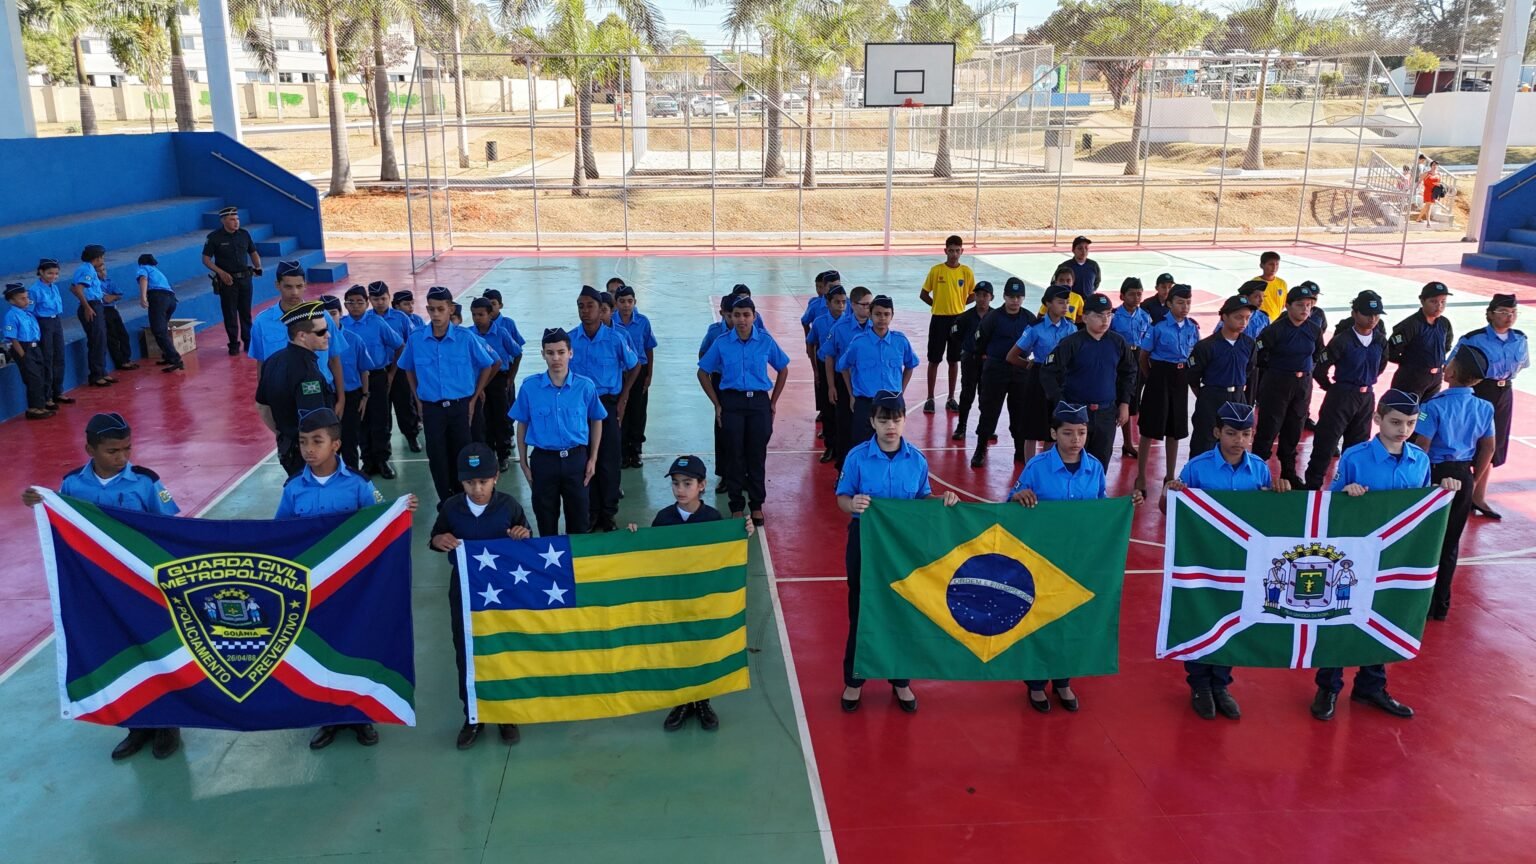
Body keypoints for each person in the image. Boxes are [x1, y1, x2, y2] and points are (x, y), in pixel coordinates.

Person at [22, 412, 182, 759]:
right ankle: (137, 726)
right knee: (119, 652)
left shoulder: (146, 482)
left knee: (154, 650)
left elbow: (172, 530)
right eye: (112, 451)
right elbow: (63, 522)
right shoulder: (73, 485)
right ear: (90, 450)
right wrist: (39, 501)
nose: (122, 457)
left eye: (127, 449)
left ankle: (168, 724)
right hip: (102, 590)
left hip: (142, 587)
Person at [277, 407, 417, 750]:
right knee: (319, 651)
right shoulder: (293, 489)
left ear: (336, 444)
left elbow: (378, 523)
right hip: (312, 590)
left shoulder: (358, 484)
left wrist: (400, 510)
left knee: (356, 647)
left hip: (353, 589)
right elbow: (279, 535)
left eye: (317, 441)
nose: (309, 449)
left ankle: (359, 715)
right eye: (303, 442)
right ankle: (329, 717)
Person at [1319, 389, 1460, 720]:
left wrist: (1442, 491)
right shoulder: (1355, 457)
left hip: (1395, 557)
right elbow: (1328, 503)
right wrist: (1346, 492)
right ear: (1378, 419)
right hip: (1354, 554)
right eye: (1396, 422)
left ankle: (1371, 685)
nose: (1403, 430)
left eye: (1410, 423)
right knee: (1339, 615)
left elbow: (1421, 508)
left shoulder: (1420, 460)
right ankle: (1328, 687)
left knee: (1383, 616)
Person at [1010, 402, 1144, 713]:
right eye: (1068, 433)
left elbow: (1099, 509)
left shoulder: (1094, 468)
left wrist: (1125, 505)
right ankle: (1035, 683)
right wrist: (1018, 496)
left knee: (1072, 620)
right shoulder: (1037, 467)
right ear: (1053, 433)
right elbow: (1011, 506)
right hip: (1043, 558)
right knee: (1041, 619)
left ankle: (1063, 679)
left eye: (1081, 432)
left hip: (1079, 560)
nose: (1075, 439)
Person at [1164, 402, 1291, 720]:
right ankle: (1199, 684)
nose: (1239, 440)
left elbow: (1268, 518)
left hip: (1242, 563)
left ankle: (1220, 684)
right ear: (1217, 432)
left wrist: (1279, 494)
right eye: (1232, 433)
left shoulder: (1259, 469)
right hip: (1204, 559)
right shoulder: (1197, 468)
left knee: (1235, 617)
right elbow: (1172, 512)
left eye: (1246, 434)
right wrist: (1170, 493)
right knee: (1201, 617)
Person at [837, 390, 960, 713]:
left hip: (904, 547)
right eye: (883, 420)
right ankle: (854, 680)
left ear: (904, 420)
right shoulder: (857, 458)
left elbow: (922, 499)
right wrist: (852, 503)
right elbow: (842, 498)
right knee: (862, 610)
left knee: (903, 609)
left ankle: (901, 680)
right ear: (872, 422)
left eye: (896, 419)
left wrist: (942, 500)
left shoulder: (916, 460)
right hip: (865, 541)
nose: (890, 426)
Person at [626, 455, 756, 732]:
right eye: (676, 483)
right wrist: (634, 537)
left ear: (702, 485)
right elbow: (650, 557)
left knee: (701, 649)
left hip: (703, 601)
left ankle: (702, 700)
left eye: (687, 483)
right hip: (673, 600)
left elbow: (724, 554)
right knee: (677, 650)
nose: (680, 489)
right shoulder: (664, 519)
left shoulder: (712, 520)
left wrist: (742, 532)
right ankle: (682, 701)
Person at [428, 442, 531, 749]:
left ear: (496, 477)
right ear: (461, 481)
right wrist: (438, 540)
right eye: (470, 482)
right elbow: (435, 536)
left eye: (483, 481)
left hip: (503, 593)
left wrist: (522, 536)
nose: (477, 489)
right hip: (464, 592)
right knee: (467, 651)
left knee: (503, 648)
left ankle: (506, 714)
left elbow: (528, 539)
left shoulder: (509, 506)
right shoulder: (451, 508)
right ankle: (473, 715)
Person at [1411, 346, 1495, 620]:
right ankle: (1440, 605)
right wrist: (1474, 479)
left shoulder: (1432, 406)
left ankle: (1418, 602)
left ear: (1452, 373)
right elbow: (1488, 447)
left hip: (1435, 474)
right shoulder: (1485, 408)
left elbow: (1422, 446)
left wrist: (1417, 482)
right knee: (1450, 543)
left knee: (1425, 538)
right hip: (1464, 474)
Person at [398, 286, 498, 504]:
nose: (436, 314)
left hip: (460, 407)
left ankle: (464, 499)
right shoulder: (416, 339)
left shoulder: (466, 338)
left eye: (440, 309)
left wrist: (474, 398)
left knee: (463, 454)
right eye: (431, 309)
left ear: (451, 309)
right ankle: (446, 501)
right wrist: (418, 400)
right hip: (432, 408)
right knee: (437, 456)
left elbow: (487, 365)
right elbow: (408, 368)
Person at [698, 296, 790, 525]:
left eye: (746, 315)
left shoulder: (765, 341)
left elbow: (783, 368)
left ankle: (757, 504)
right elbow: (703, 372)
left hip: (759, 403)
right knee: (734, 455)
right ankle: (736, 505)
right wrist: (717, 403)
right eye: (737, 315)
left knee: (757, 455)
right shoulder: (722, 342)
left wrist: (773, 402)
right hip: (732, 403)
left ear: (754, 316)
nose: (741, 320)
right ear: (730, 316)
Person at [511, 328, 607, 536]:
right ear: (543, 354)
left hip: (576, 460)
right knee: (546, 520)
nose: (556, 358)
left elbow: (597, 419)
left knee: (579, 521)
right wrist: (524, 463)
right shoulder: (530, 388)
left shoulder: (585, 387)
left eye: (561, 352)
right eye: (550, 352)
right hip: (544, 461)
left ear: (570, 353)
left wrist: (592, 458)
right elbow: (522, 424)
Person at [1449, 293, 1527, 519]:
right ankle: (1460, 493)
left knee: (1493, 444)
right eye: (1503, 312)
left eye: (1513, 312)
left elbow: (1522, 365)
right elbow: (1452, 366)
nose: (1509, 317)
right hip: (1479, 390)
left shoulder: (1520, 339)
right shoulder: (1473, 339)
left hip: (1504, 392)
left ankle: (1478, 496)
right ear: (1490, 314)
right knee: (1468, 441)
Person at [570, 286, 639, 532]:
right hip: (578, 407)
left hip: (607, 404)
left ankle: (608, 513)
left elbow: (634, 366)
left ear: (601, 310)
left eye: (590, 306)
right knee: (584, 459)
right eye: (581, 306)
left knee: (608, 460)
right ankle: (591, 512)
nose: (585, 310)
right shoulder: (570, 339)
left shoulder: (615, 339)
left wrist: (624, 397)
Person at [1304, 291, 1389, 490]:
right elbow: (1320, 369)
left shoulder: (1380, 340)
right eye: (1367, 314)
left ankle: (1348, 488)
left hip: (1366, 398)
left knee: (1357, 448)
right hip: (1341, 396)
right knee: (1325, 444)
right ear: (1355, 313)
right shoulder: (1342, 340)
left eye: (1376, 315)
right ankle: (1312, 488)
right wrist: (1331, 388)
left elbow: (1381, 365)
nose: (1372, 319)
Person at [1040, 293, 1135, 469]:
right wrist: (1060, 402)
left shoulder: (1118, 342)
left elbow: (1128, 372)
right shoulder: (1071, 343)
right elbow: (1048, 372)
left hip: (1106, 413)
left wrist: (1124, 403)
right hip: (1076, 413)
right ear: (1084, 317)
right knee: (1071, 462)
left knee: (1100, 463)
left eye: (1108, 314)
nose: (1105, 320)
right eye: (1099, 315)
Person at [1253, 282, 1325, 488]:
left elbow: (1318, 352)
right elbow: (1259, 354)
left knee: (1295, 427)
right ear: (1288, 306)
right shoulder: (1275, 329)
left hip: (1302, 384)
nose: (1305, 309)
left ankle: (1289, 472)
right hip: (1277, 383)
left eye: (1308, 305)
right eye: (1300, 305)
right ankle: (1257, 472)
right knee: (1268, 428)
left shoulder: (1313, 329)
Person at [255, 301, 337, 477]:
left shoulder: (273, 361)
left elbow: (262, 406)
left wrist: (283, 433)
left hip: (288, 449)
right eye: (321, 331)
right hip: (312, 456)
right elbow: (314, 422)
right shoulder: (308, 372)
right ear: (302, 335)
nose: (328, 335)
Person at [996, 284, 1074, 467]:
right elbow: (1012, 356)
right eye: (1060, 302)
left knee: (1053, 427)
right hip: (1038, 380)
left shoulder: (1070, 328)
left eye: (1067, 302)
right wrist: (1029, 365)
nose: (1065, 306)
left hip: (1060, 380)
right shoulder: (1035, 328)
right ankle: (1030, 468)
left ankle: (1045, 467)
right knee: (1032, 428)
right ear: (1048, 303)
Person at [1135, 283, 1199, 493]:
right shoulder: (1158, 326)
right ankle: (1141, 477)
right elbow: (1144, 357)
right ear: (1169, 303)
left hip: (1180, 377)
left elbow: (1194, 356)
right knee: (1148, 429)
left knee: (1175, 428)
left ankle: (1170, 476)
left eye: (1188, 302)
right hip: (1159, 377)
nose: (1185, 307)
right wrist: (1152, 377)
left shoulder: (1192, 327)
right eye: (1180, 302)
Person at [836, 295, 920, 449]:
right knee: (862, 445)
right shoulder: (859, 342)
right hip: (866, 403)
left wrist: (901, 390)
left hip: (892, 403)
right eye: (878, 314)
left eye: (886, 314)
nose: (882, 318)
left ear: (892, 315)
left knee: (890, 445)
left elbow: (910, 364)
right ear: (870, 315)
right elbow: (843, 366)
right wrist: (851, 395)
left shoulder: (900, 341)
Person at [250, 261, 343, 398]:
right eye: (288, 286)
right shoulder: (261, 322)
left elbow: (334, 359)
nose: (294, 292)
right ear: (277, 285)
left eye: (299, 286)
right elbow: (262, 364)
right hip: (282, 395)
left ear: (305, 285)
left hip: (319, 392)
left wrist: (341, 398)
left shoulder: (323, 317)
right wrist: (264, 400)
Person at [340, 284, 405, 479]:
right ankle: (367, 461)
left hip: (377, 377)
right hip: (354, 382)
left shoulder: (377, 323)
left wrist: (391, 373)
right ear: (345, 305)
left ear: (367, 303)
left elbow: (399, 345)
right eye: (351, 302)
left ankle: (382, 460)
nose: (355, 306)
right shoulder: (341, 326)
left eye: (360, 302)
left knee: (380, 419)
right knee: (360, 421)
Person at [1187, 295, 1256, 458]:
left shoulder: (1249, 344)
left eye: (1247, 318)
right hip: (1212, 399)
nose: (1243, 322)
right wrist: (1206, 395)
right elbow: (1193, 376)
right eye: (1238, 317)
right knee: (1204, 444)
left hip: (1238, 398)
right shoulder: (1206, 346)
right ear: (1224, 316)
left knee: (1235, 445)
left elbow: (1249, 369)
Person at [918, 234, 975, 414]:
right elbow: (923, 294)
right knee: (934, 359)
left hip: (958, 320)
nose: (954, 254)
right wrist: (936, 305)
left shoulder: (966, 272)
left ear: (962, 251)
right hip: (939, 320)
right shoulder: (936, 271)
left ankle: (951, 398)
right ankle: (930, 398)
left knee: (954, 360)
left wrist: (960, 304)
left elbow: (973, 294)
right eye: (951, 250)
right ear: (945, 251)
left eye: (957, 251)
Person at [821, 286, 874, 469]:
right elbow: (829, 356)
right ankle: (843, 470)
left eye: (870, 304)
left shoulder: (876, 327)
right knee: (845, 428)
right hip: (845, 384)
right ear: (853, 305)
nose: (868, 308)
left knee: (870, 430)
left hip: (868, 385)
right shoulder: (840, 328)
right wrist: (831, 386)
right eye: (864, 304)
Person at [469, 297, 523, 471]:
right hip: (477, 381)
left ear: (490, 314)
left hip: (498, 380)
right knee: (482, 419)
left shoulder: (501, 333)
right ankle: (487, 454)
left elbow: (517, 353)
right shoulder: (469, 334)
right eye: (474, 314)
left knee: (500, 418)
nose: (477, 318)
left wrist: (510, 378)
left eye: (481, 314)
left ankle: (503, 455)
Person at [319, 294, 370, 472]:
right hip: (327, 396)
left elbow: (364, 370)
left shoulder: (354, 339)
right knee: (328, 443)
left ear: (341, 313)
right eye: (324, 314)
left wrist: (365, 396)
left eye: (333, 313)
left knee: (350, 441)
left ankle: (352, 476)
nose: (329, 319)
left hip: (351, 396)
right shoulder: (316, 341)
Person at [202, 206, 261, 355]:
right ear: (223, 221)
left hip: (245, 279)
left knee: (246, 313)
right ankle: (233, 344)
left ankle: (248, 342)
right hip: (228, 281)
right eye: (232, 219)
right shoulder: (214, 237)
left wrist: (258, 266)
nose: (236, 222)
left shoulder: (244, 234)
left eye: (237, 219)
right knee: (230, 314)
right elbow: (206, 259)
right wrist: (221, 273)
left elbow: (253, 252)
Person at [1388, 281, 1454, 403]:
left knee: (1427, 412)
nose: (1439, 306)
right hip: (1411, 379)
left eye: (1443, 301)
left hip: (1435, 380)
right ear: (1422, 301)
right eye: (1433, 301)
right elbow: (1391, 351)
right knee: (1405, 410)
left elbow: (1446, 346)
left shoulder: (1444, 323)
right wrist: (1412, 363)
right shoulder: (1410, 325)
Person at [614, 285, 657, 469]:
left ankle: (636, 450)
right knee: (621, 410)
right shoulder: (610, 322)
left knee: (638, 411)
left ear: (635, 302)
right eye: (622, 301)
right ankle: (622, 451)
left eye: (630, 301)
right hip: (619, 373)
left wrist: (649, 374)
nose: (626, 305)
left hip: (639, 371)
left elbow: (649, 348)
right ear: (616, 303)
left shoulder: (643, 322)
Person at [377, 287, 423, 453]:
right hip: (378, 370)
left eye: (383, 298)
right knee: (381, 408)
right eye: (375, 299)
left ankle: (411, 436)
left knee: (404, 404)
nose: (379, 302)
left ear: (388, 298)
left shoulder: (400, 318)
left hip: (400, 367)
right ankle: (385, 441)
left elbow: (410, 342)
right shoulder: (370, 319)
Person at [1110, 278, 1152, 459]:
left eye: (1139, 294)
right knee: (1117, 398)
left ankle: (1128, 442)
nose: (1136, 297)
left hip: (1139, 357)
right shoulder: (1113, 316)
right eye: (1132, 294)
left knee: (1133, 400)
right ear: (1122, 296)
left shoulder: (1145, 316)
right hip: (1119, 359)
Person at [808, 284, 849, 462]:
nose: (841, 306)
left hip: (845, 371)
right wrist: (816, 369)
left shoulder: (850, 323)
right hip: (825, 367)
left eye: (844, 302)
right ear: (828, 303)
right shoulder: (819, 322)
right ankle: (830, 446)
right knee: (827, 407)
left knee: (844, 410)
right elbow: (811, 342)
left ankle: (844, 447)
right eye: (837, 302)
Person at [951, 280, 993, 442]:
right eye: (978, 295)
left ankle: (986, 428)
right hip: (970, 359)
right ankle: (961, 426)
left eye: (985, 295)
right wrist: (967, 347)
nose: (982, 298)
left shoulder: (995, 317)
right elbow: (955, 334)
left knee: (986, 395)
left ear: (991, 297)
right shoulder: (965, 317)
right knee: (967, 394)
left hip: (988, 362)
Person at [3, 283, 52, 419]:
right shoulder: (11, 315)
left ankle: (41, 405)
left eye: (27, 297)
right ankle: (34, 408)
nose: (26, 301)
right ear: (12, 301)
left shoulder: (28, 313)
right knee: (33, 379)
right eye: (22, 298)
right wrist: (23, 356)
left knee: (40, 376)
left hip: (34, 347)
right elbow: (13, 338)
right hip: (23, 348)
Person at [70, 244, 112, 388]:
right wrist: (87, 306)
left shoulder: (87, 269)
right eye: (102, 257)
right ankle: (96, 374)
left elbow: (72, 287)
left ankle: (102, 371)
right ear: (97, 257)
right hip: (92, 305)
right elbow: (78, 288)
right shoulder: (86, 270)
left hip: (96, 304)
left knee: (101, 339)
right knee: (96, 340)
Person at [804, 271, 838, 449]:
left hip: (842, 362)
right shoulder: (816, 306)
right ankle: (825, 420)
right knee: (824, 391)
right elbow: (805, 321)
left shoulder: (847, 307)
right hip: (823, 354)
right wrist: (809, 341)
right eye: (831, 287)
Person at [30, 258, 69, 408]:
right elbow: (30, 312)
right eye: (50, 273)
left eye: (56, 273)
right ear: (41, 272)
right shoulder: (35, 290)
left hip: (55, 321)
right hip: (44, 322)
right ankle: (47, 396)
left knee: (59, 355)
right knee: (47, 358)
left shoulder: (54, 287)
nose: (53, 276)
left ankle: (58, 391)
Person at [134, 254, 182, 373]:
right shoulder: (156, 271)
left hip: (158, 298)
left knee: (159, 331)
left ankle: (175, 359)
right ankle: (167, 356)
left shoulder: (143, 268)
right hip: (171, 299)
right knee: (162, 329)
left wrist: (143, 297)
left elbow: (143, 279)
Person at [97, 263, 136, 375]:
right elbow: (103, 299)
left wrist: (112, 297)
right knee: (112, 336)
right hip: (103, 310)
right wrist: (111, 297)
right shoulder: (95, 284)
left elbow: (118, 294)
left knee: (123, 334)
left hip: (112, 309)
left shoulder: (109, 281)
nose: (103, 272)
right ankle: (120, 362)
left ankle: (126, 358)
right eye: (99, 271)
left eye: (104, 270)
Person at [1059, 235, 1101, 300]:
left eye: (1086, 248)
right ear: (1073, 250)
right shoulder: (1065, 266)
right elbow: (1055, 283)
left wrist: (1091, 291)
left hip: (1088, 301)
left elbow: (1097, 281)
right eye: (1080, 248)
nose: (1084, 251)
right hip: (1071, 302)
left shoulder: (1093, 265)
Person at [1253, 251, 1288, 323]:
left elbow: (1283, 304)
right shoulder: (1255, 283)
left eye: (1277, 264)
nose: (1274, 267)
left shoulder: (1282, 283)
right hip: (1260, 322)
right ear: (1261, 265)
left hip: (1277, 322)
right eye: (1271, 264)